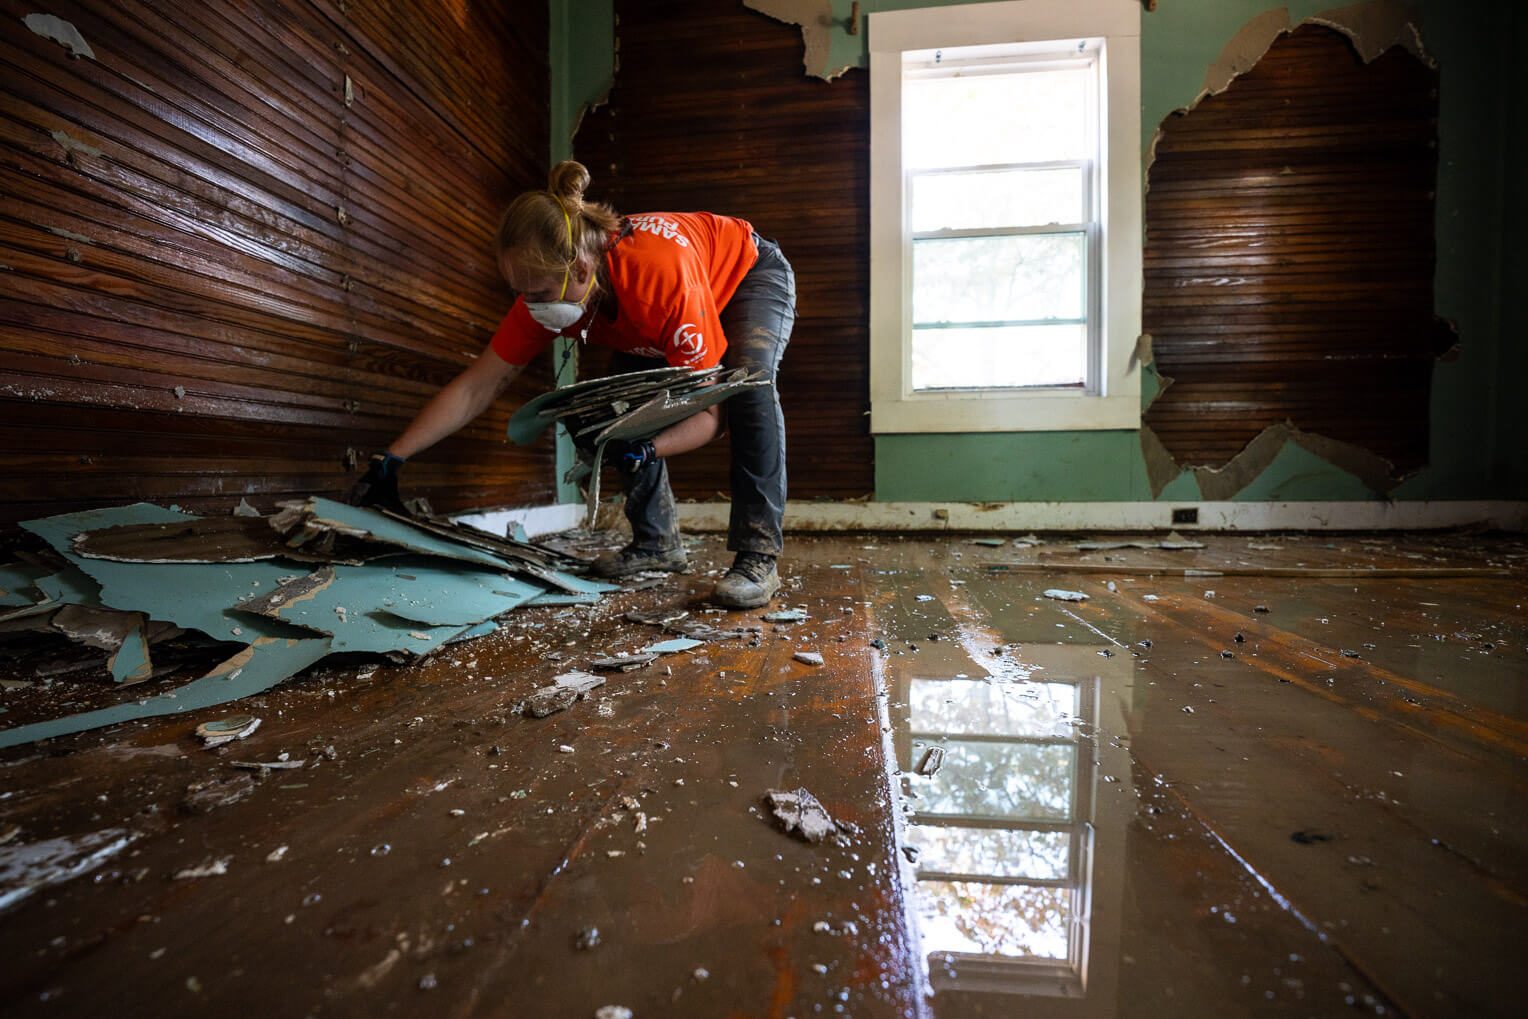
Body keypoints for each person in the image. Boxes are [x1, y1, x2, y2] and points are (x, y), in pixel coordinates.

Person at [349, 160, 795, 609]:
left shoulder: (658, 279)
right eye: (521, 293)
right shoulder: (547, 288)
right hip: (646, 312)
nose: (530, 306)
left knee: (749, 389)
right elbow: (475, 387)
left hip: (747, 273)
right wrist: (393, 458)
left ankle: (758, 556)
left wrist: (648, 448)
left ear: (581, 268)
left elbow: (712, 412)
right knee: (613, 412)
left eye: (538, 294)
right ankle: (656, 545)